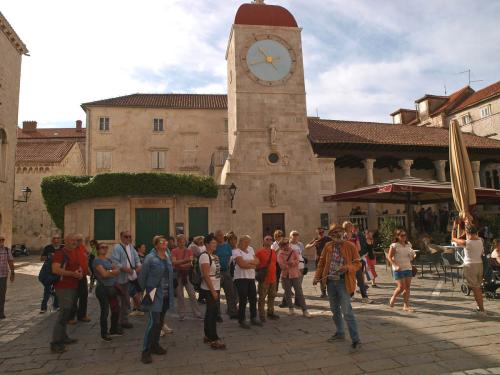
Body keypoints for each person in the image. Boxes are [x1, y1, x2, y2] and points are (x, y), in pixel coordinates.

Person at [313, 224, 362, 353]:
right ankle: (340, 333)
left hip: (343, 282)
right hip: (330, 283)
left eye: (338, 235)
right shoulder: (328, 246)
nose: (337, 238)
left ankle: (356, 340)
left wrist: (347, 268)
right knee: (335, 311)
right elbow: (322, 262)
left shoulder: (350, 246)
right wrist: (317, 277)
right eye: (334, 236)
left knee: (347, 312)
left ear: (342, 234)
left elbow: (358, 263)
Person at [139, 235, 174, 364]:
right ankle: (145, 351)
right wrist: (145, 292)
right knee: (153, 322)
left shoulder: (168, 257)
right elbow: (142, 277)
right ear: (156, 245)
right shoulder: (150, 258)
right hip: (152, 293)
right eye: (161, 241)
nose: (164, 243)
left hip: (166, 294)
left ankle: (155, 345)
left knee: (160, 322)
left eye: (165, 241)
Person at [50, 234, 84, 353]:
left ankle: (63, 337)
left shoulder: (74, 252)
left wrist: (79, 272)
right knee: (64, 312)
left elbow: (77, 266)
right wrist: (72, 274)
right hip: (63, 287)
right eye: (72, 240)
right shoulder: (60, 253)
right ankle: (55, 343)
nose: (74, 242)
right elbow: (55, 269)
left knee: (67, 311)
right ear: (66, 241)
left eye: (76, 240)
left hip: (73, 286)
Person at [452, 225, 486, 315]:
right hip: (479, 265)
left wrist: (454, 228)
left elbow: (453, 238)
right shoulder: (480, 240)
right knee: (477, 287)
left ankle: (482, 310)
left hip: (470, 266)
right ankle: (480, 307)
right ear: (476, 232)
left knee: (476, 289)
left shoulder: (467, 243)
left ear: (467, 233)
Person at [111, 231, 142, 329]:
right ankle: (117, 323)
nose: (128, 238)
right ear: (121, 237)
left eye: (130, 237)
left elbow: (137, 259)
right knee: (119, 301)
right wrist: (125, 269)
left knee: (126, 300)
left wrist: (138, 267)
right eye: (126, 236)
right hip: (120, 279)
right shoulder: (117, 248)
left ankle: (124, 320)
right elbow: (115, 262)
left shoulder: (131, 247)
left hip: (130, 278)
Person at [199, 234, 226, 349]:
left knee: (211, 312)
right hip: (209, 289)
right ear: (207, 244)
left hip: (215, 287)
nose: (215, 245)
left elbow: (217, 273)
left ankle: (207, 335)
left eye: (216, 243)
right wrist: (213, 291)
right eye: (213, 243)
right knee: (212, 313)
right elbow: (205, 275)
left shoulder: (214, 256)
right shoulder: (204, 256)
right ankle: (213, 338)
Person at [93, 243, 121, 341]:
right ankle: (104, 334)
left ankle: (113, 329)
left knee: (116, 309)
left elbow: (117, 270)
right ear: (97, 249)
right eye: (102, 247)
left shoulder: (108, 260)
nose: (104, 249)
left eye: (106, 247)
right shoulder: (97, 261)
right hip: (103, 289)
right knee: (105, 311)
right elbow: (104, 274)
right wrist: (111, 272)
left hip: (112, 288)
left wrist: (109, 271)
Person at [232, 235, 261, 328]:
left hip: (251, 277)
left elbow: (257, 261)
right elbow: (241, 264)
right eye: (245, 242)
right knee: (243, 299)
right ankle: (242, 320)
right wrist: (252, 264)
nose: (247, 244)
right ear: (240, 242)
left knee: (253, 298)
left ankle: (253, 317)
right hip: (240, 278)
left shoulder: (250, 249)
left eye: (248, 242)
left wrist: (249, 263)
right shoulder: (236, 251)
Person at [171, 234, 202, 320]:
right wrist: (184, 261)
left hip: (187, 275)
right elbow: (174, 262)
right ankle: (182, 314)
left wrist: (180, 263)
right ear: (177, 242)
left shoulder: (189, 251)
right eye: (180, 241)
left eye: (183, 241)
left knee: (192, 294)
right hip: (178, 275)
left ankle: (197, 313)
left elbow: (190, 263)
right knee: (180, 295)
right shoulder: (174, 251)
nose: (182, 243)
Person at [278, 238, 310, 317]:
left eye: (287, 243)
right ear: (281, 246)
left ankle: (305, 310)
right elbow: (282, 266)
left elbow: (297, 260)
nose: (286, 245)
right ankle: (291, 309)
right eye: (284, 244)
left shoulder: (293, 251)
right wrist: (290, 264)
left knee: (299, 292)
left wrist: (291, 263)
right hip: (285, 276)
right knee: (288, 293)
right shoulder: (280, 254)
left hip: (295, 274)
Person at [343, 221, 372, 304]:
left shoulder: (355, 236)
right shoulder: (343, 236)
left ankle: (365, 297)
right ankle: (350, 295)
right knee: (349, 279)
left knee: (360, 279)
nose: (351, 227)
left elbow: (358, 248)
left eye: (351, 226)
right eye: (349, 226)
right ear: (345, 227)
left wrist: (351, 248)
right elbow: (343, 248)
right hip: (347, 261)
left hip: (356, 260)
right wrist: (352, 247)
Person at [388, 229, 416, 312]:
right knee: (401, 287)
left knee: (407, 287)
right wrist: (395, 266)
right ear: (397, 236)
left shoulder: (408, 244)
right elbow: (389, 257)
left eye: (405, 235)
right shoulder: (394, 245)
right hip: (398, 269)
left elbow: (411, 253)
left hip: (408, 267)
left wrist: (413, 255)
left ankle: (406, 305)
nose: (404, 237)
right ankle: (393, 297)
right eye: (402, 235)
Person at [214, 230, 238, 321]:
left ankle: (232, 312)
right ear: (216, 237)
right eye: (218, 235)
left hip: (226, 272)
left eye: (221, 235)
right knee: (217, 294)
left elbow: (230, 258)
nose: (220, 237)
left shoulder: (227, 246)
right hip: (217, 272)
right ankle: (217, 314)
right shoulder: (214, 246)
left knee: (230, 293)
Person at [255, 235, 279, 322]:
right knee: (262, 298)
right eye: (267, 239)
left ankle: (270, 312)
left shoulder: (273, 252)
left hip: (273, 278)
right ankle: (261, 315)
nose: (269, 240)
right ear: (263, 241)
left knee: (272, 296)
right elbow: (256, 264)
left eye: (270, 239)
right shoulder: (259, 252)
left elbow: (274, 264)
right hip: (264, 279)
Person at [68, 234, 91, 324]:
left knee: (84, 295)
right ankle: (70, 317)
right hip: (74, 276)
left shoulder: (82, 248)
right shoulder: (70, 249)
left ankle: (82, 315)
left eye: (80, 240)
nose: (79, 242)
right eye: (77, 240)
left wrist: (88, 269)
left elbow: (85, 259)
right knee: (74, 297)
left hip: (83, 276)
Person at [306, 227, 331, 298]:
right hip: (319, 260)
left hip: (328, 259)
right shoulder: (316, 239)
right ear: (317, 233)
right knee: (320, 276)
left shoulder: (328, 239)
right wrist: (313, 244)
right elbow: (307, 246)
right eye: (320, 232)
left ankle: (330, 291)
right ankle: (323, 292)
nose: (321, 233)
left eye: (322, 232)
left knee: (328, 275)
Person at [40, 234, 61, 313]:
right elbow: (41, 258)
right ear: (52, 240)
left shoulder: (62, 248)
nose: (56, 240)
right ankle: (43, 307)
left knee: (58, 289)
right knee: (47, 289)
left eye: (57, 238)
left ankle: (56, 305)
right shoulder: (48, 248)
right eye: (54, 238)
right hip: (48, 272)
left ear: (60, 240)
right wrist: (49, 256)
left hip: (59, 271)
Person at [0, 235, 15, 320]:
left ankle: (1, 313)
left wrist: (13, 273)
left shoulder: (6, 250)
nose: (1, 242)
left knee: (2, 295)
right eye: (0, 240)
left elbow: (10, 261)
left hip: (3, 275)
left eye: (2, 240)